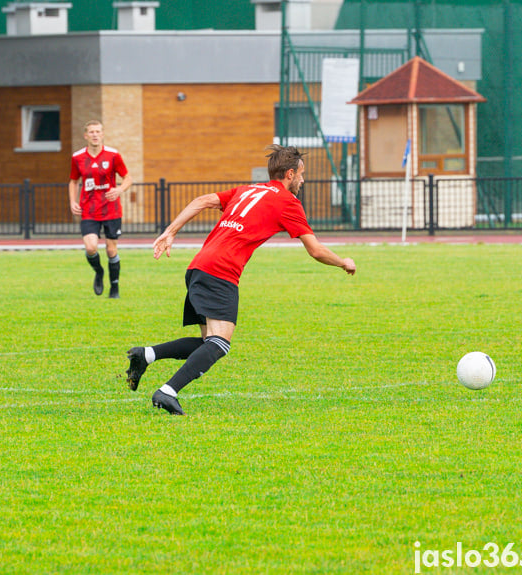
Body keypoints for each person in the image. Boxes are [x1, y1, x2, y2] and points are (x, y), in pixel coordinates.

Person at [125, 145, 356, 415]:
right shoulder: (288, 203)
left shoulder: (248, 189)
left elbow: (201, 201)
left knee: (208, 343)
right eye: (302, 175)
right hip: (221, 271)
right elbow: (315, 250)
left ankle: (146, 355)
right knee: (220, 343)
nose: (303, 180)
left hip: (199, 267)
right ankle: (167, 392)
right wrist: (343, 262)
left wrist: (170, 231)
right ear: (290, 174)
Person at [68, 120, 133, 298]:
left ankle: (114, 288)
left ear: (102, 134)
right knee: (90, 248)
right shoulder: (78, 157)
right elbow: (73, 181)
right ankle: (99, 272)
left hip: (111, 209)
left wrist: (119, 189)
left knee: (111, 250)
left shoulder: (113, 155)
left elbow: (127, 178)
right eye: (91, 132)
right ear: (86, 136)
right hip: (89, 210)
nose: (95, 135)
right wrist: (73, 201)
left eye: (98, 131)